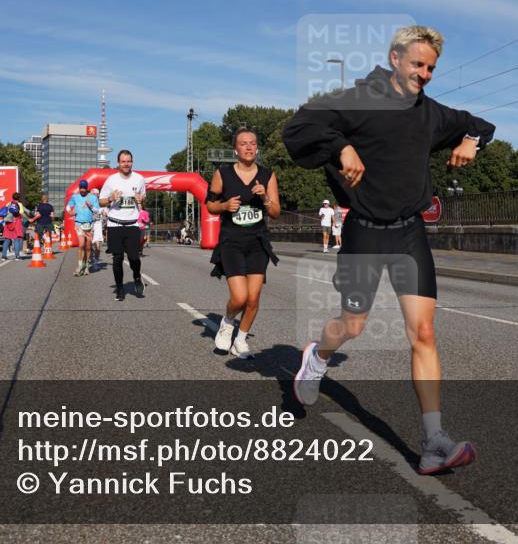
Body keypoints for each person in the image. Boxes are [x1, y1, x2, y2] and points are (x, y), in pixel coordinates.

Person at [283, 25, 495, 475]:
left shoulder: (429, 113)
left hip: (409, 233)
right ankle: (317, 356)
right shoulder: (358, 101)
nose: (425, 74)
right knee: (352, 327)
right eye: (418, 64)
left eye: (432, 68)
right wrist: (341, 146)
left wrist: (471, 141)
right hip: (365, 231)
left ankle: (434, 440)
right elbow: (299, 127)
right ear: (395, 58)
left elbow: (477, 124)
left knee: (423, 333)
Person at [206, 129, 280, 359]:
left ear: (257, 147)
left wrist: (265, 198)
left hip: (257, 242)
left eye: (253, 143)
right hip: (232, 242)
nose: (248, 147)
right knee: (239, 298)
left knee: (253, 298)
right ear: (235, 149)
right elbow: (210, 205)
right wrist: (224, 206)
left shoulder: (267, 175)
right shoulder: (223, 173)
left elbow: (276, 212)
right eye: (243, 144)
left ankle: (240, 339)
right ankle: (227, 323)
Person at [99, 150, 147, 300]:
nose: (126, 164)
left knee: (134, 258)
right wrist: (110, 198)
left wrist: (140, 199)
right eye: (123, 161)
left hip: (132, 224)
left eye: (129, 161)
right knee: (117, 258)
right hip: (114, 224)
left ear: (132, 162)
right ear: (118, 163)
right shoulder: (111, 180)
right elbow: (101, 201)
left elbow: (142, 197)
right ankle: (120, 288)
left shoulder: (139, 179)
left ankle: (137, 277)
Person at [66, 180, 100, 277]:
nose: (82, 190)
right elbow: (68, 207)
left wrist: (91, 206)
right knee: (81, 244)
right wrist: (71, 213)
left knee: (88, 246)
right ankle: (80, 266)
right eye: (81, 188)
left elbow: (97, 210)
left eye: (84, 188)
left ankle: (86, 266)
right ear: (79, 188)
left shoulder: (93, 197)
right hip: (79, 224)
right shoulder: (75, 197)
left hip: (89, 224)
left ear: (87, 188)